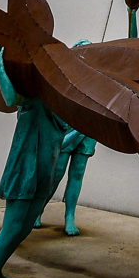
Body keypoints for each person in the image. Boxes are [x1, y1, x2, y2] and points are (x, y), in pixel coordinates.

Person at [0, 44, 68, 278]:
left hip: (44, 169)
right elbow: (10, 98)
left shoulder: (58, 102)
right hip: (25, 168)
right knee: (13, 226)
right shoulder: (34, 97)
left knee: (25, 227)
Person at [33, 45, 96, 235]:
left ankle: (69, 217)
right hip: (68, 126)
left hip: (89, 128)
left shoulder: (95, 79)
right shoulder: (64, 76)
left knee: (77, 173)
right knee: (56, 173)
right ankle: (37, 210)